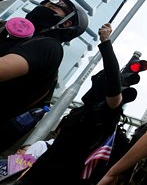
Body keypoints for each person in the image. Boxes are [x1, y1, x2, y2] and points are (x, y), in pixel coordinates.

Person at [15, 23, 126, 185]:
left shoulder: (107, 115)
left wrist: (105, 42)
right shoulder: (78, 112)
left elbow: (114, 84)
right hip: (37, 173)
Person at [0, 0, 88, 153]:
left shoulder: (48, 46)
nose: (43, 8)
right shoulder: (12, 37)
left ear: (66, 23)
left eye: (52, 9)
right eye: (44, 5)